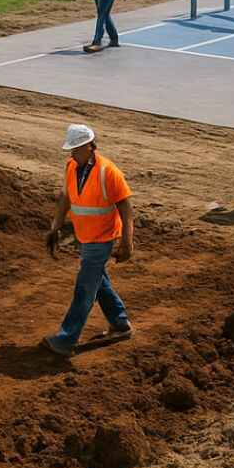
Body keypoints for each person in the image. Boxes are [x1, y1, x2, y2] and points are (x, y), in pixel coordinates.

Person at [42, 123, 134, 357]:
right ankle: (120, 321)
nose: (72, 153)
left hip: (102, 238)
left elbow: (125, 206)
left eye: (76, 149)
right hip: (84, 237)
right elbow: (66, 197)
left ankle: (65, 339)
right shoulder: (71, 167)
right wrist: (56, 227)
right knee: (98, 282)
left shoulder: (108, 171)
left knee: (85, 288)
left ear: (89, 146)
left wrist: (127, 241)